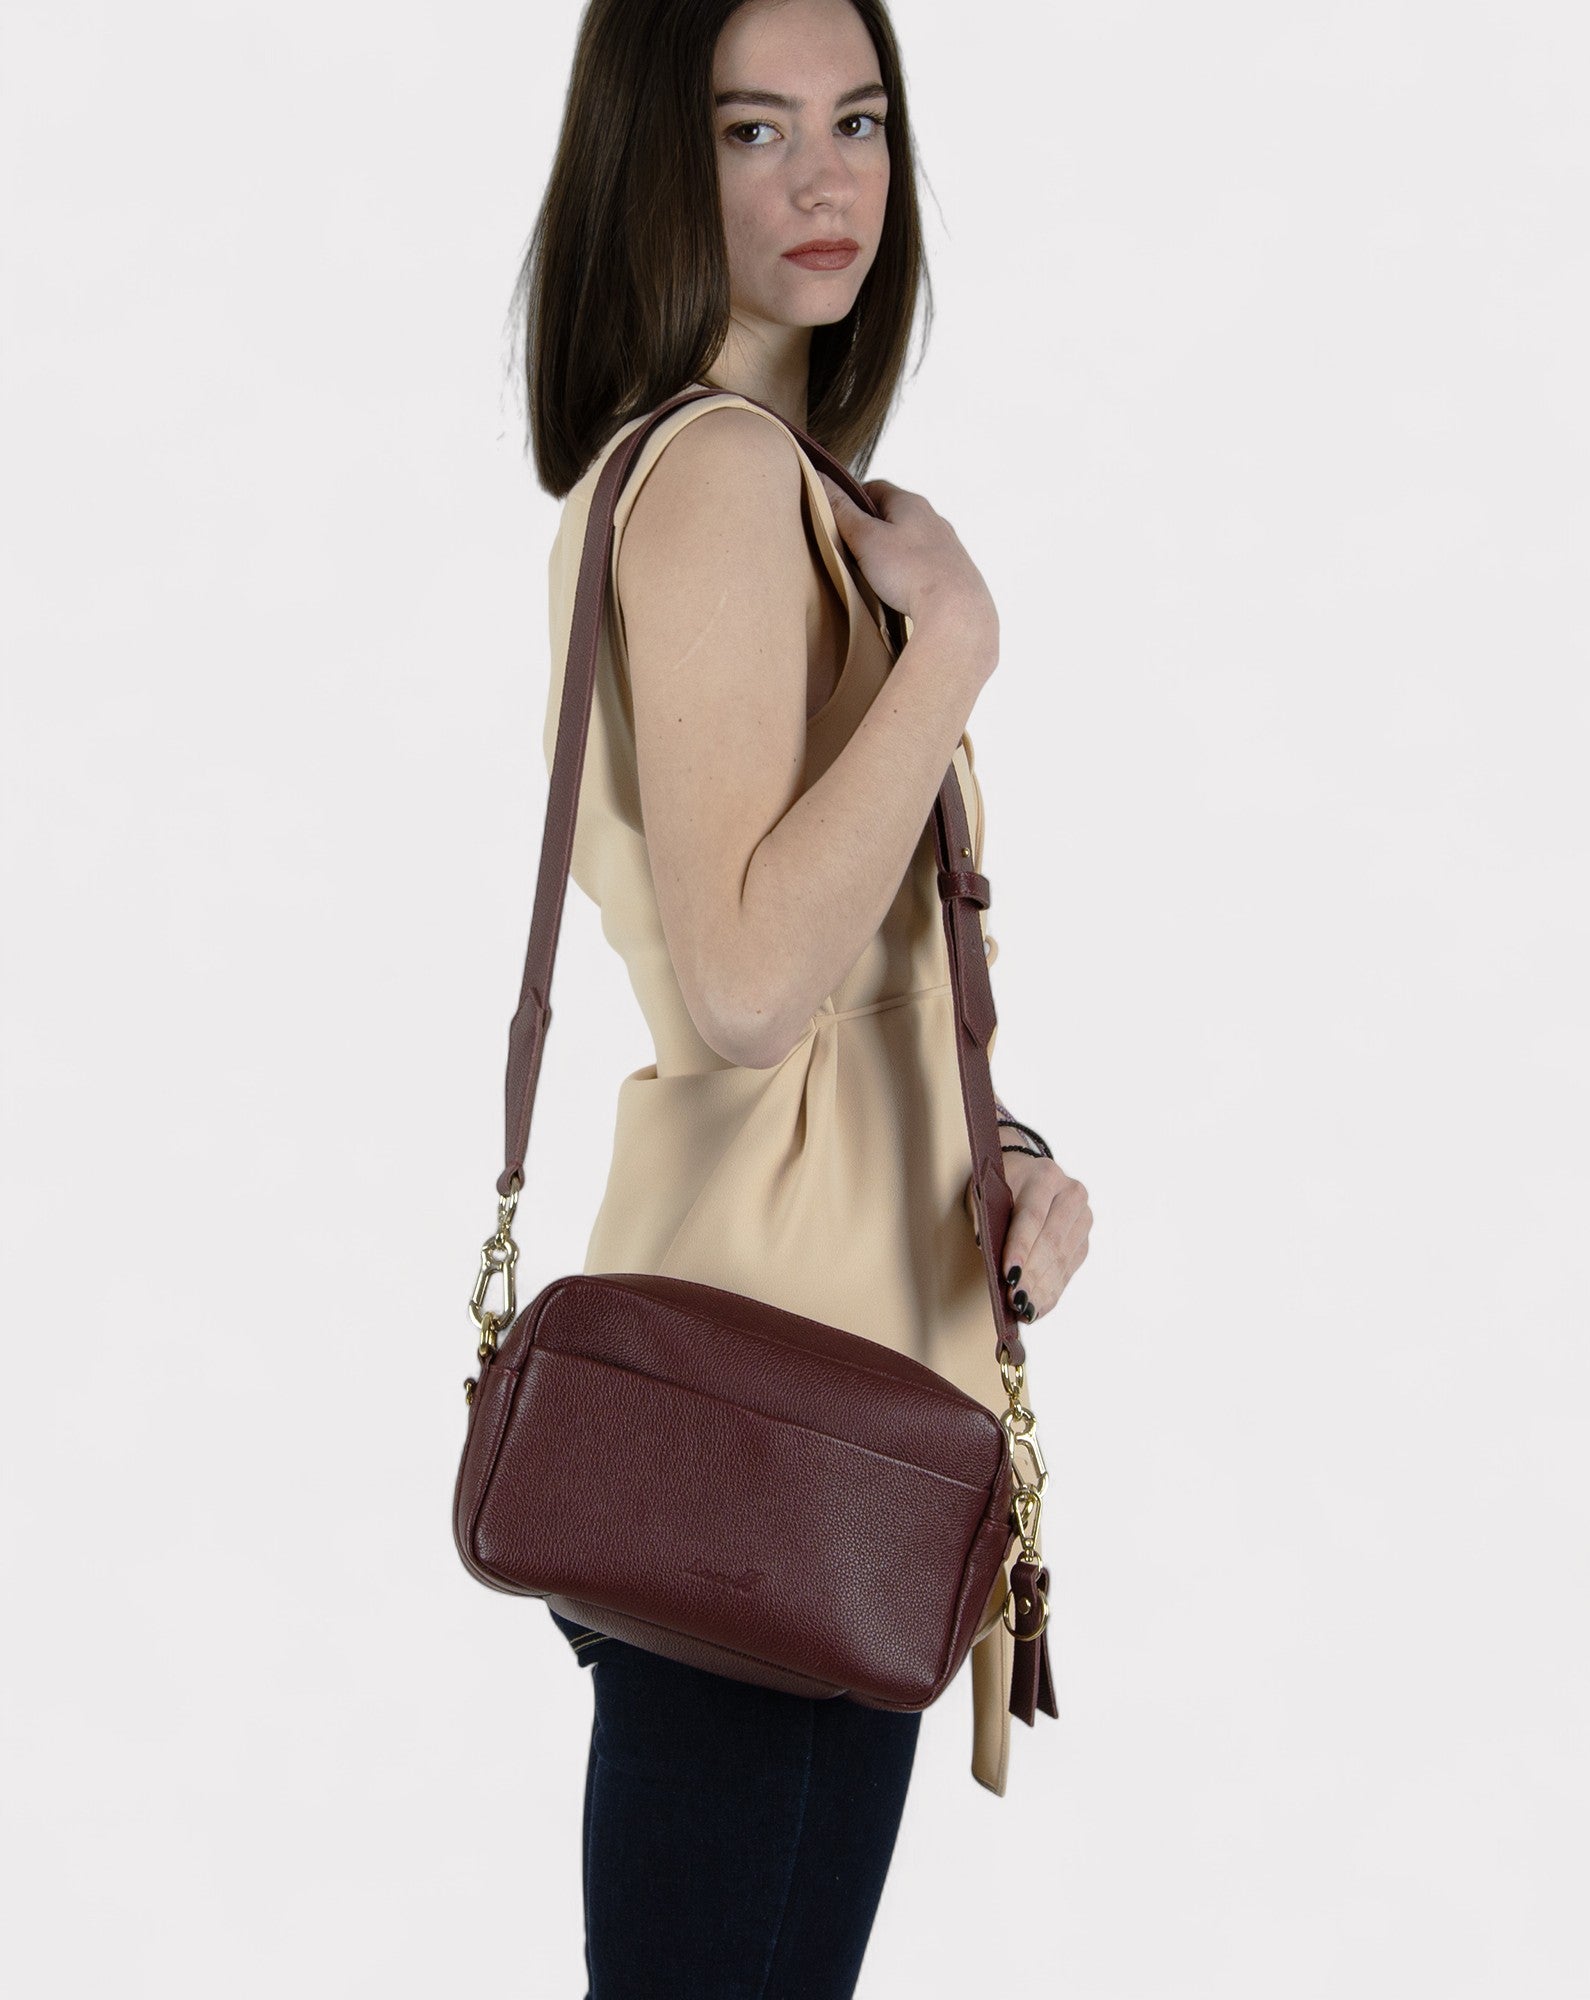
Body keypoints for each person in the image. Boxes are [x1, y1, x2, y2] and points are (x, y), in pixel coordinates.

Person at [511, 0, 1093, 1989]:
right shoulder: (716, 479)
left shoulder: (797, 494)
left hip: (827, 1401)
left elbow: (816, 953)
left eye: (853, 119)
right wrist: (955, 653)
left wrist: (1000, 1151)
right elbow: (751, 984)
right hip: (768, 1413)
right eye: (751, 130)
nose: (825, 175)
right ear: (653, 167)